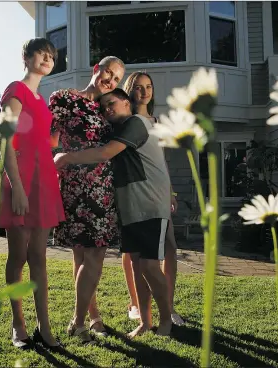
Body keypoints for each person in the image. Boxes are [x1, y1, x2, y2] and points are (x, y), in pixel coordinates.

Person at [55, 88, 172, 338]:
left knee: (150, 267)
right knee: (139, 268)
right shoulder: (119, 129)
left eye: (112, 103)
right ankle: (145, 321)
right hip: (130, 209)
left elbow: (105, 153)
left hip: (150, 206)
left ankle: (166, 320)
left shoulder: (135, 123)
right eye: (104, 107)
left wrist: (66, 158)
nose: (108, 109)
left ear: (126, 102)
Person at [0, 38, 65, 349]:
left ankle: (44, 328)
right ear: (27, 57)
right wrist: (16, 187)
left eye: (51, 56)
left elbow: (44, 143)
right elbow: (6, 141)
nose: (47, 59)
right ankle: (18, 325)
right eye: (42, 54)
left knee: (40, 258)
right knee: (18, 257)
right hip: (21, 182)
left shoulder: (42, 100)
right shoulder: (15, 90)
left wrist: (65, 130)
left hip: (44, 182)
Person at [49, 56, 125, 343]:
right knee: (85, 255)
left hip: (103, 187)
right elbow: (50, 140)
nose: (111, 80)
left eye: (117, 78)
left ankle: (91, 317)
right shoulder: (64, 99)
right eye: (109, 72)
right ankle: (81, 321)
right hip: (75, 185)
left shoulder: (109, 108)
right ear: (97, 69)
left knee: (91, 257)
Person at [122, 71, 185, 326]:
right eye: (138, 87)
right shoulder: (126, 121)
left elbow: (161, 162)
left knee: (169, 247)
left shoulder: (157, 121)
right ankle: (136, 304)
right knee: (133, 250)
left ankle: (167, 305)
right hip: (135, 191)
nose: (144, 91)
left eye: (148, 87)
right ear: (130, 90)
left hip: (159, 190)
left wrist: (170, 191)